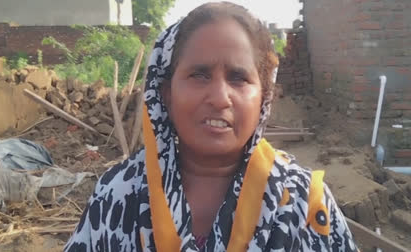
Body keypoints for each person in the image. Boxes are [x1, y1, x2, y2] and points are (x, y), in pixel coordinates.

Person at [65, 2, 359, 251]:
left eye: (238, 78)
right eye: (199, 75)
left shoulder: (303, 204)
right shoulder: (117, 195)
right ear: (166, 93)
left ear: (264, 96)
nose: (220, 98)